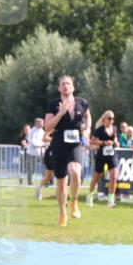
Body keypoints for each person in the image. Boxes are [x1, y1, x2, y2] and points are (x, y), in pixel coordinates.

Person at [44, 75, 90, 226]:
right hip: (58, 144)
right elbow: (48, 127)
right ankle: (62, 213)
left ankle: (74, 202)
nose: (65, 86)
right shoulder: (53, 104)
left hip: (75, 143)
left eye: (68, 83)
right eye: (62, 84)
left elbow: (88, 117)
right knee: (61, 182)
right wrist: (60, 113)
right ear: (59, 88)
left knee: (76, 171)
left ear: (73, 87)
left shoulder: (82, 103)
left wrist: (87, 129)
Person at [88, 110, 118, 208]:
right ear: (104, 119)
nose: (111, 120)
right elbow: (92, 141)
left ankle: (110, 200)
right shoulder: (99, 130)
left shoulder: (114, 128)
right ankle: (90, 194)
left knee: (114, 176)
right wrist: (104, 143)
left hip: (112, 154)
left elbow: (115, 139)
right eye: (109, 118)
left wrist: (117, 143)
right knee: (97, 176)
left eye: (113, 118)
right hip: (101, 155)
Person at [26, 117, 46, 186]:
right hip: (32, 153)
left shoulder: (42, 131)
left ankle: (45, 182)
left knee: (45, 167)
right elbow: (33, 143)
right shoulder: (32, 131)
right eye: (42, 122)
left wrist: (44, 144)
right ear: (37, 123)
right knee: (31, 169)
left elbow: (44, 140)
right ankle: (30, 183)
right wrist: (42, 144)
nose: (43, 124)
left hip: (41, 153)